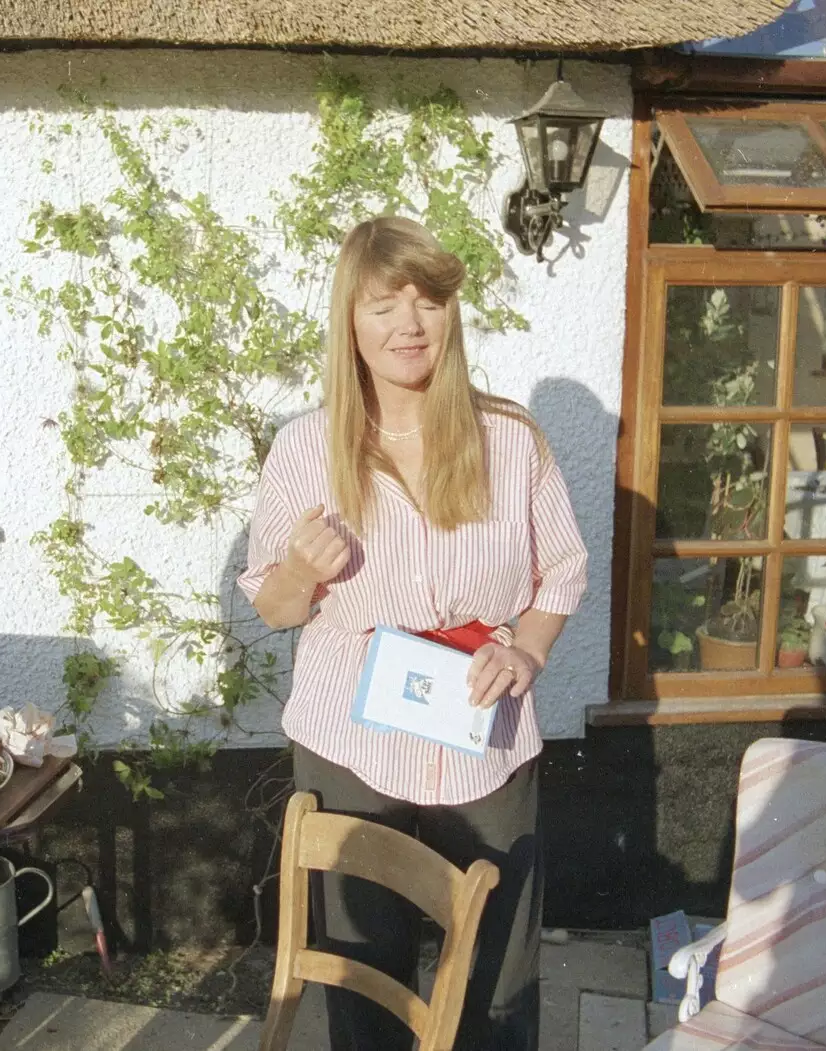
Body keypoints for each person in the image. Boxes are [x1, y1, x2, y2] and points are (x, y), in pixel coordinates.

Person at [239, 216, 588, 1051]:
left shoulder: (511, 441)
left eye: (427, 301)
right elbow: (276, 606)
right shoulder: (303, 449)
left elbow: (561, 572)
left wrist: (528, 651)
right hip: (349, 732)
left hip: (483, 723)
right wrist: (299, 569)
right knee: (363, 956)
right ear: (349, 321)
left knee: (498, 959)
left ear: (450, 316)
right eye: (383, 304)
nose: (408, 324)